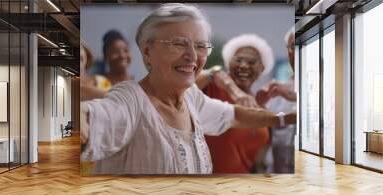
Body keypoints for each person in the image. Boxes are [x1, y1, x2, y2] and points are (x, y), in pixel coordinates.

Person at [80, 3, 296, 174]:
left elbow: (234, 115)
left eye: (200, 45)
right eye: (179, 43)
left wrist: (284, 118)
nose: (192, 56)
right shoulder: (131, 100)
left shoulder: (191, 97)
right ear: (147, 51)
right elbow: (95, 117)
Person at [195, 34, 275, 173]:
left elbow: (258, 161)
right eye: (238, 60)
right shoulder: (211, 88)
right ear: (228, 64)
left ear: (261, 69)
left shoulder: (262, 109)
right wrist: (229, 86)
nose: (244, 66)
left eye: (251, 62)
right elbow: (187, 84)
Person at [256, 26, 296, 173]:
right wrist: (258, 106)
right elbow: (264, 138)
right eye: (293, 46)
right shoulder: (276, 92)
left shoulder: (334, 86)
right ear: (288, 52)